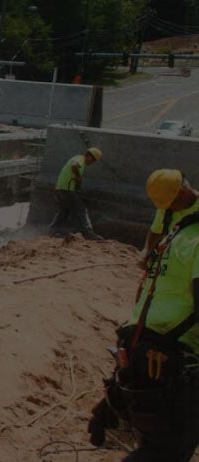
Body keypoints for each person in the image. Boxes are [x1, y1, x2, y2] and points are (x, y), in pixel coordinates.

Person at [94, 170, 199, 461]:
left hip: (144, 334)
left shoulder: (183, 234)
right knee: (170, 448)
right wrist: (145, 254)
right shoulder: (185, 233)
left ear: (182, 193)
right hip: (171, 346)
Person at [141, 169, 199, 269]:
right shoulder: (167, 209)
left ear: (182, 192)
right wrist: (147, 250)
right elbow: (157, 230)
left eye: (171, 204)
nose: (169, 208)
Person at [49, 147, 103, 240]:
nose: (92, 162)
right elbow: (74, 166)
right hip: (67, 189)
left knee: (63, 211)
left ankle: (52, 231)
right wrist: (79, 177)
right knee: (81, 210)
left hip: (61, 188)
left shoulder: (78, 158)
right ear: (89, 156)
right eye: (93, 160)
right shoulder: (80, 159)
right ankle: (88, 233)